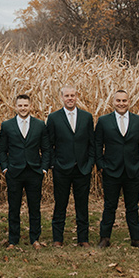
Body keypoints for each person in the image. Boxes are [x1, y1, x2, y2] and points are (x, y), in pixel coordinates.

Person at [95, 89, 139, 250]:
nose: (121, 104)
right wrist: (101, 166)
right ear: (113, 102)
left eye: (124, 101)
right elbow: (98, 145)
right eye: (118, 101)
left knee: (132, 207)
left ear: (129, 101)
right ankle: (105, 238)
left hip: (133, 171)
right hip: (111, 171)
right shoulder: (104, 121)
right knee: (109, 206)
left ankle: (136, 239)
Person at [0, 93, 50, 249]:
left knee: (34, 207)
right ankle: (13, 240)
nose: (23, 108)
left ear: (31, 106)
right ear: (15, 107)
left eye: (25, 105)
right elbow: (2, 150)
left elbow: (46, 149)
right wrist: (5, 168)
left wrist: (44, 169)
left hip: (34, 172)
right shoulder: (7, 125)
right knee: (13, 207)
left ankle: (35, 239)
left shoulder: (40, 125)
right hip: (14, 172)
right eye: (20, 105)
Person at [45, 86, 94, 247]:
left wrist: (89, 163)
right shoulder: (53, 118)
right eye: (67, 96)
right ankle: (57, 238)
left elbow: (92, 143)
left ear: (77, 96)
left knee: (82, 205)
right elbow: (49, 144)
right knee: (60, 204)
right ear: (62, 98)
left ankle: (83, 239)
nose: (70, 98)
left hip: (82, 168)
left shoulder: (86, 117)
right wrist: (54, 164)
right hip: (62, 169)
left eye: (73, 95)